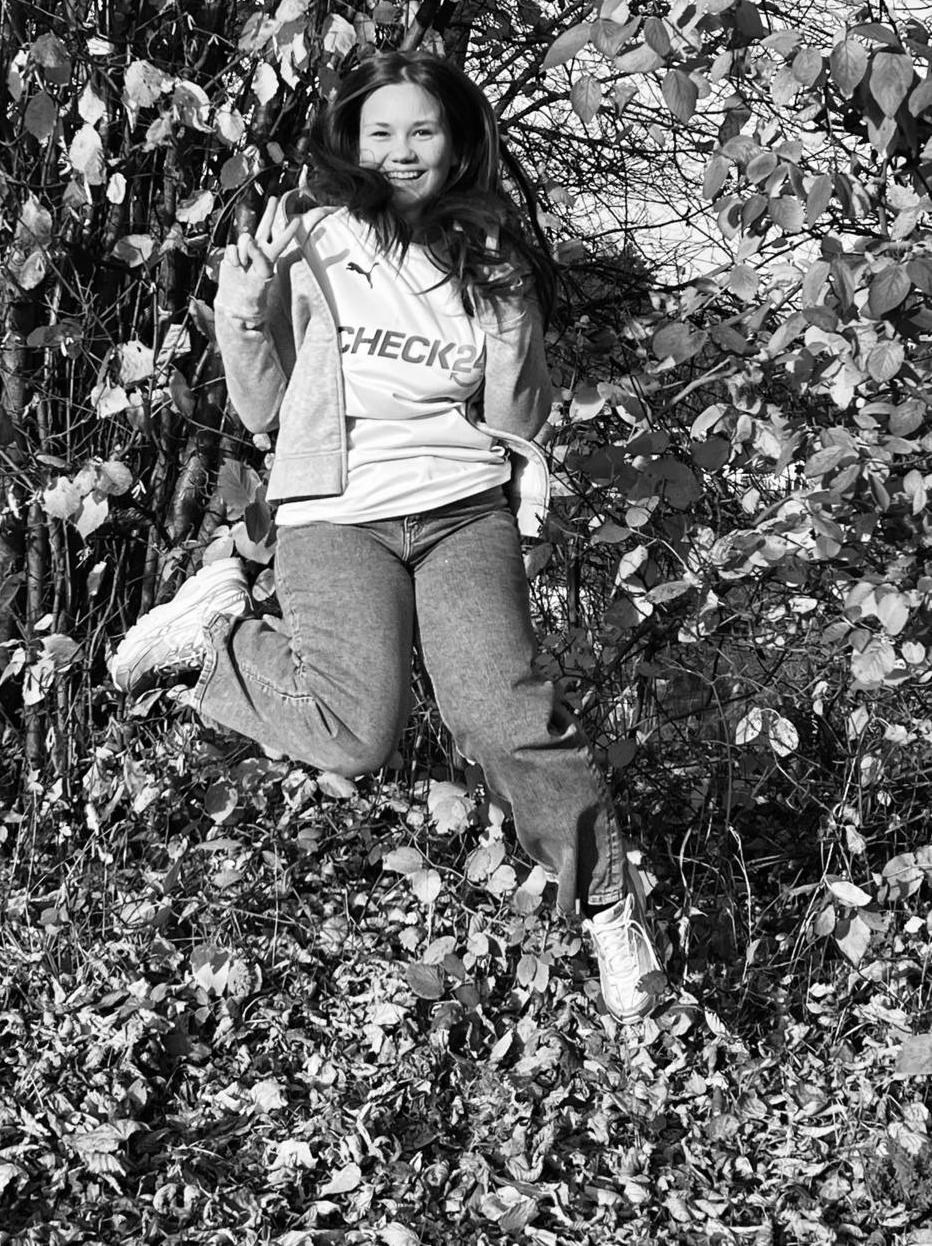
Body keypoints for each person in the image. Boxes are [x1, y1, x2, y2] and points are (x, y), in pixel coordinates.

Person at [111, 51, 662, 1024]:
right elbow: (264, 410)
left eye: (422, 130)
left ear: (455, 143)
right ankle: (212, 640)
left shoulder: (489, 257)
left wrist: (513, 335)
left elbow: (517, 420)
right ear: (352, 142)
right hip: (336, 510)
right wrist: (242, 310)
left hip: (462, 511)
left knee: (501, 718)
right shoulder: (313, 240)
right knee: (356, 736)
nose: (401, 151)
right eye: (381, 132)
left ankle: (609, 907)